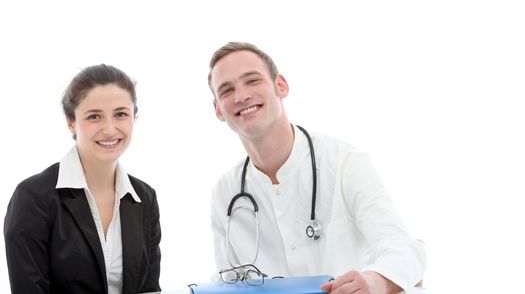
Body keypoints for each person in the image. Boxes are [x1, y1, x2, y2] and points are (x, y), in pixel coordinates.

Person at [207, 42, 426, 294]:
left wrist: (376, 281)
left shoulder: (343, 161)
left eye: (252, 80)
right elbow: (227, 282)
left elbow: (404, 249)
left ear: (281, 86)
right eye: (226, 90)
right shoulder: (225, 193)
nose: (241, 96)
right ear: (218, 111)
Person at [4, 64, 161, 294]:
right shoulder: (32, 198)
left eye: (120, 114)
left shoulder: (144, 198)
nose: (109, 129)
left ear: (134, 117)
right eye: (94, 116)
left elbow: (149, 289)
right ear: (71, 123)